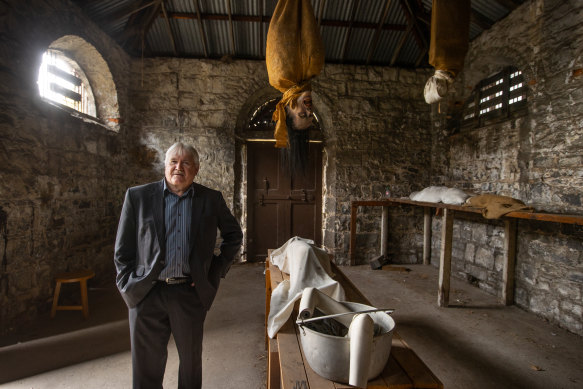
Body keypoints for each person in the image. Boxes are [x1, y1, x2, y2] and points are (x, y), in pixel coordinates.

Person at [114, 142, 243, 389]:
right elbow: (123, 250)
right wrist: (128, 286)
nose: (178, 168)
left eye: (185, 163)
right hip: (146, 293)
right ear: (165, 166)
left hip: (189, 293)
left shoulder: (211, 199)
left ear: (195, 169)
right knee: (146, 366)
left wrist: (212, 273)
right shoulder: (138, 197)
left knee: (191, 364)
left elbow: (233, 236)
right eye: (173, 162)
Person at [281, 90, 315, 177]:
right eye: (311, 115)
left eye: (302, 115)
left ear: (288, 111)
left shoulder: (280, 78)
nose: (309, 111)